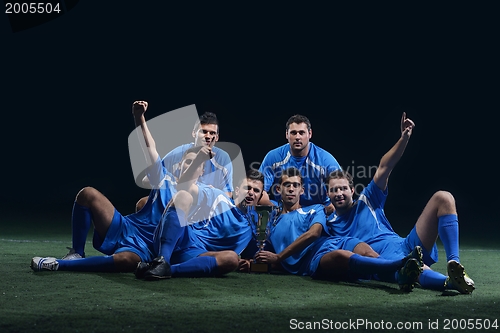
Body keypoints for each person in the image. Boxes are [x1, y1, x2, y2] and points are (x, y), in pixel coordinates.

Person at [325, 112, 475, 294]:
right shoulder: (328, 223)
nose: (339, 193)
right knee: (414, 267)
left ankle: (454, 262)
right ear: (328, 194)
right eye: (334, 190)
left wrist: (404, 138)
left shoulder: (367, 200)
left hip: (404, 243)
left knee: (443, 197)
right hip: (381, 259)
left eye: (343, 189)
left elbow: (384, 167)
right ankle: (452, 283)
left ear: (352, 190)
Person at [31, 101, 177, 273]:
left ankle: (58, 264)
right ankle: (77, 253)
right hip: (127, 228)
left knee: (125, 261)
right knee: (88, 194)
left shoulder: (197, 196)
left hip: (146, 247)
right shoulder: (165, 178)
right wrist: (139, 118)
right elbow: (149, 148)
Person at [250, 167, 423, 289]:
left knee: (367, 252)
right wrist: (254, 262)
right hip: (314, 258)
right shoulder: (269, 217)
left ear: (302, 190)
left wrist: (279, 257)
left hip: (333, 241)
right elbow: (258, 199)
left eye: (295, 185)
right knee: (342, 256)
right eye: (287, 185)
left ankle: (400, 273)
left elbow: (314, 233)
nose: (291, 189)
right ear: (278, 189)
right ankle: (400, 265)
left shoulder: (315, 208)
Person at [136, 166, 265, 280]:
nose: (251, 193)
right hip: (182, 239)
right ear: (237, 191)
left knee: (231, 259)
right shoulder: (219, 197)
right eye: (247, 188)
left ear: (260, 197)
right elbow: (188, 188)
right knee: (183, 196)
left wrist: (248, 263)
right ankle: (162, 260)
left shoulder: (256, 227)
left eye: (256, 190)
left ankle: (165, 269)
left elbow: (256, 260)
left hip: (199, 255)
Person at [135, 111, 233, 211]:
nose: (208, 136)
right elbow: (147, 180)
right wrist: (172, 182)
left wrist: (212, 193)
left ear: (217, 137)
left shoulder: (223, 159)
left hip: (205, 204)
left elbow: (228, 195)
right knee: (143, 203)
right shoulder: (178, 153)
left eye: (212, 133)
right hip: (176, 199)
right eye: (203, 132)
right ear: (194, 133)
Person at [258, 114, 341, 214]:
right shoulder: (273, 157)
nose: (297, 137)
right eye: (293, 133)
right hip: (283, 211)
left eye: (301, 133)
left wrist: (324, 211)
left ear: (310, 134)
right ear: (287, 135)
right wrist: (277, 210)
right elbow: (259, 191)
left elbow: (341, 192)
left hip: (316, 212)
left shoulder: (326, 160)